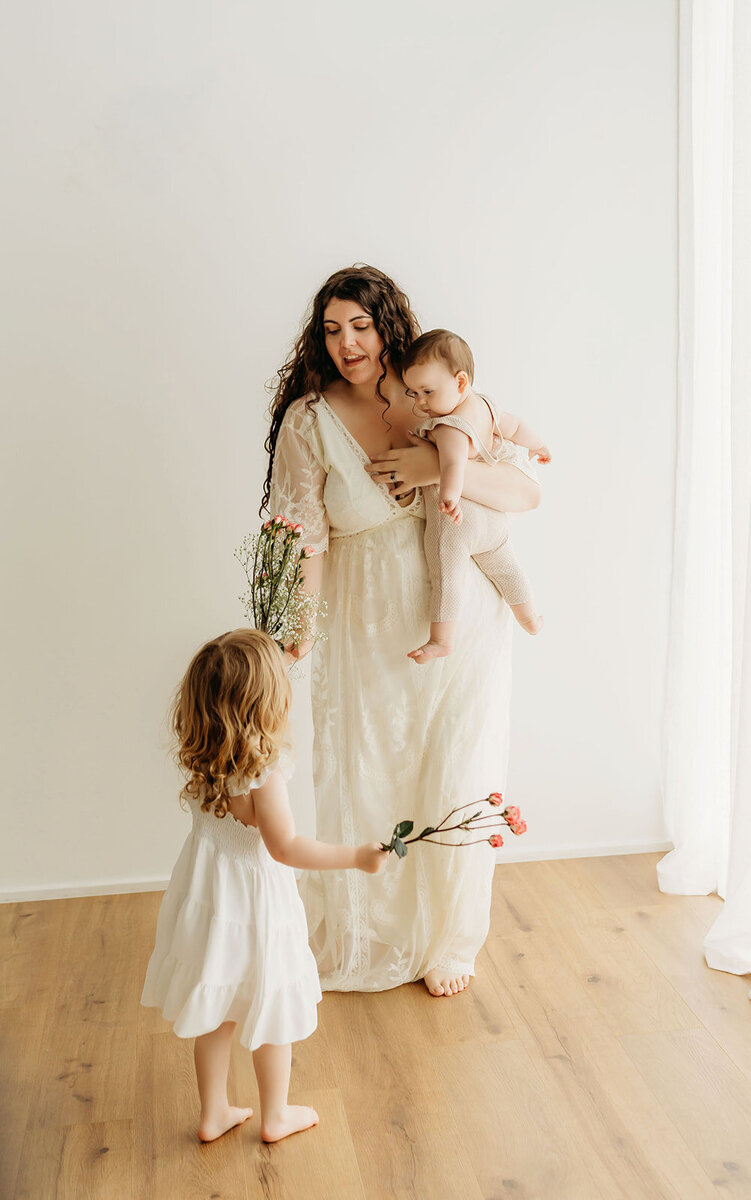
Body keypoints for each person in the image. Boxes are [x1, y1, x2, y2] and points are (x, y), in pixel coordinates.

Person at [262, 264, 540, 998]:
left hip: (462, 616)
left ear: (389, 324)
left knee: (458, 766)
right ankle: (376, 929)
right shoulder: (308, 420)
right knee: (374, 770)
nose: (347, 342)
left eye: (359, 325)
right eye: (331, 329)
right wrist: (297, 634)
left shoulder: (437, 396)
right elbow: (307, 539)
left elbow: (525, 490)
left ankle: (453, 940)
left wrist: (436, 465)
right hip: (364, 622)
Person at [140, 629, 386, 1143]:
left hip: (209, 899)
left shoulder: (205, 756)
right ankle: (274, 1116)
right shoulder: (263, 773)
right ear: (263, 706)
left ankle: (214, 1112)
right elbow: (286, 847)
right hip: (256, 904)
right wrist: (356, 857)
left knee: (218, 1007)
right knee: (270, 1005)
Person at [402, 328, 549, 664]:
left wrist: (450, 497)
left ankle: (441, 639)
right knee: (507, 567)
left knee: (447, 574)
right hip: (493, 519)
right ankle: (529, 617)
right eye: (413, 393)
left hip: (459, 521)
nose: (420, 402)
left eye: (427, 391)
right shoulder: (485, 406)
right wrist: (538, 445)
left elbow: (452, 464)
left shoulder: (449, 426)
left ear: (460, 382)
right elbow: (514, 427)